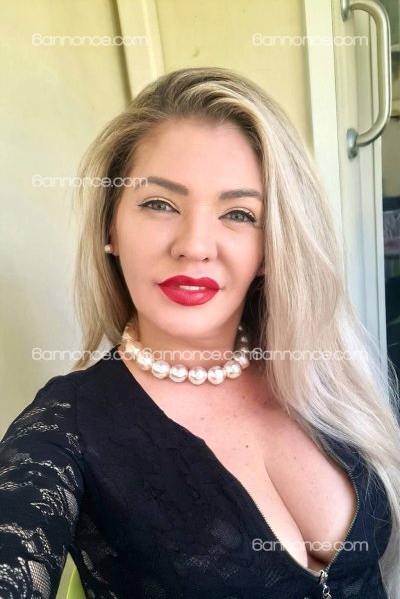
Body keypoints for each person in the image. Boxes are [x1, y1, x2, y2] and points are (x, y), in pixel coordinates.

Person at [0, 67, 399, 599]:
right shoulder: (64, 429)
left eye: (239, 213)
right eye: (159, 204)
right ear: (110, 227)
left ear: (272, 245)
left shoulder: (316, 372)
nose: (194, 245)